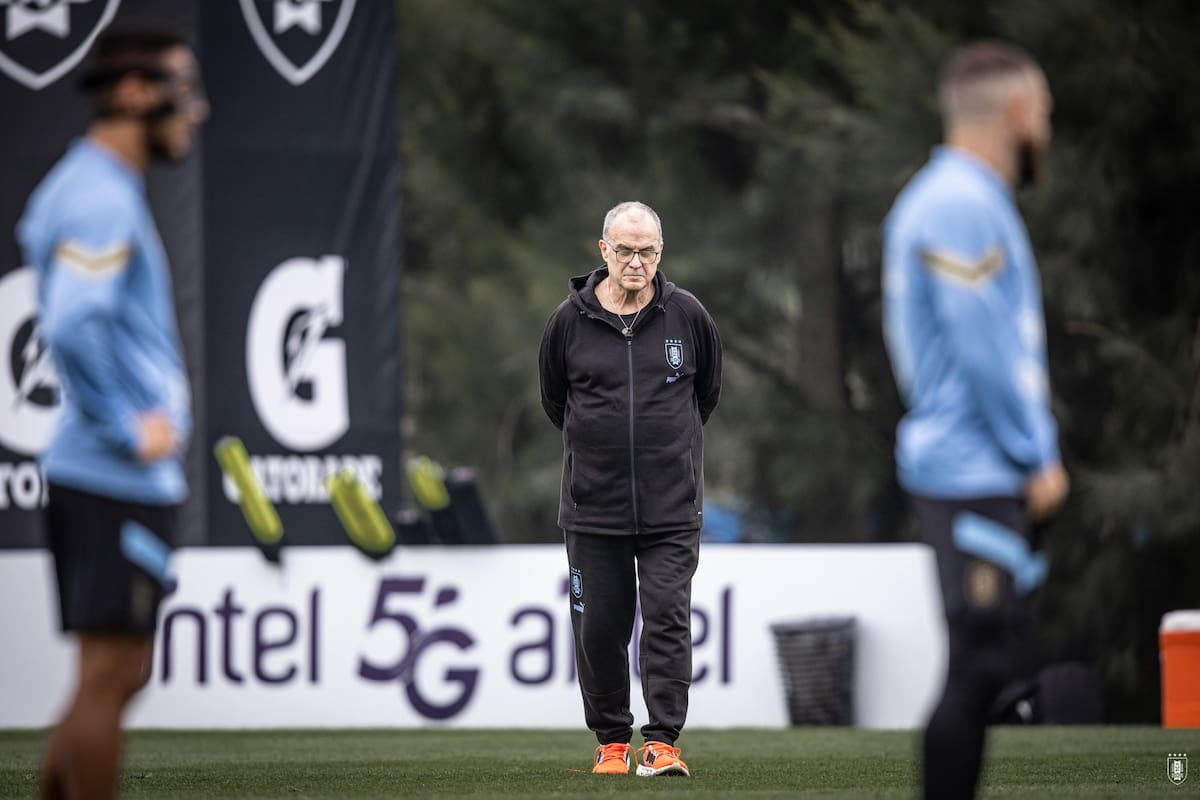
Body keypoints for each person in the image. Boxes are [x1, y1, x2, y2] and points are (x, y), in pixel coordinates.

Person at [16, 23, 208, 800]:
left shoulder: (94, 187)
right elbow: (68, 321)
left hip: (115, 482)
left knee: (118, 674)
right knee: (111, 674)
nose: (195, 108)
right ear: (135, 93)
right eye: (183, 88)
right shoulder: (97, 194)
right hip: (109, 476)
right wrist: (126, 427)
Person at [881, 42, 1070, 800]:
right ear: (1019, 113)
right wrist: (1036, 453)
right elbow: (984, 347)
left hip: (977, 470)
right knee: (985, 663)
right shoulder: (959, 202)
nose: (1047, 131)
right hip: (974, 470)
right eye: (1046, 115)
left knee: (997, 663)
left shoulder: (962, 199)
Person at [538, 201, 722, 777]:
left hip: (671, 510)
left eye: (646, 251)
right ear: (604, 252)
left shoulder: (688, 315)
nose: (635, 261)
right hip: (593, 512)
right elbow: (554, 402)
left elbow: (706, 395)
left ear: (660, 253)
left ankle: (662, 743)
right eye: (625, 250)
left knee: (668, 619)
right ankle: (612, 742)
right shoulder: (567, 322)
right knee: (599, 628)